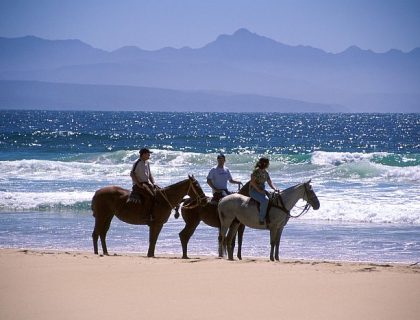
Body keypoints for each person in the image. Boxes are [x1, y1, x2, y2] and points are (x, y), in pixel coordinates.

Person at [249, 157, 279, 225]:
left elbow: (269, 181)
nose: (268, 164)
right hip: (253, 190)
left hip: (262, 190)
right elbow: (252, 183)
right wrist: (259, 190)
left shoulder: (266, 172)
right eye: (267, 163)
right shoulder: (256, 171)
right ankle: (261, 219)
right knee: (265, 201)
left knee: (273, 198)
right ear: (264, 163)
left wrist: (275, 188)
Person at [130, 148, 156, 221]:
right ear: (143, 154)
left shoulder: (147, 163)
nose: (149, 155)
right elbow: (132, 174)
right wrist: (138, 184)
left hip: (146, 183)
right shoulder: (137, 163)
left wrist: (153, 183)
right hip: (139, 184)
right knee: (150, 196)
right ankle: (146, 215)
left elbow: (149, 174)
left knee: (158, 194)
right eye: (148, 154)